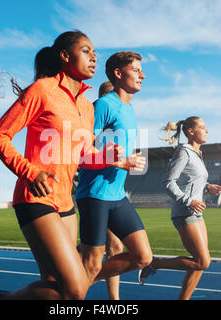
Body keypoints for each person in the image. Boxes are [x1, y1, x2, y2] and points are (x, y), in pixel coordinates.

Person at [0, 30, 125, 300]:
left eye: (95, 52)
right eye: (86, 51)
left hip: (66, 204)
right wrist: (29, 171)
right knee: (76, 290)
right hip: (35, 199)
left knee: (54, 290)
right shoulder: (43, 90)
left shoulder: (87, 106)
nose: (94, 57)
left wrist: (107, 157)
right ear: (64, 55)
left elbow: (83, 156)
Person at [76, 51, 152, 291]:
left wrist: (127, 161)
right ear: (118, 73)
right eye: (136, 70)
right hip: (95, 195)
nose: (143, 75)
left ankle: (75, 282)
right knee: (91, 265)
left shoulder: (129, 110)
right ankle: (69, 287)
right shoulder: (103, 106)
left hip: (117, 196)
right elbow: (79, 153)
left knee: (143, 257)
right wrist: (118, 162)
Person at [138, 116, 221, 300]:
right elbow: (168, 181)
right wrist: (188, 201)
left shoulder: (197, 153)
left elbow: (191, 178)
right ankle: (154, 264)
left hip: (196, 213)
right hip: (185, 212)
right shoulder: (183, 151)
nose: (207, 130)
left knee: (199, 263)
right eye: (202, 127)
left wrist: (208, 186)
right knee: (202, 261)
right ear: (190, 132)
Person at [98, 80, 125, 300]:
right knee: (113, 246)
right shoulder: (96, 119)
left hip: (116, 192)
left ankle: (69, 276)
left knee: (108, 248)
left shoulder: (120, 124)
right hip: (98, 191)